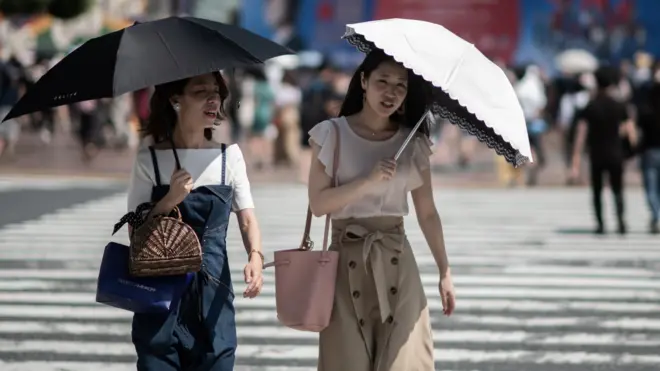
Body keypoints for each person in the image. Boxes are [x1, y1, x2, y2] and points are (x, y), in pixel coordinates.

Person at [307, 49, 456, 371]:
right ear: (363, 81)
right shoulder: (331, 134)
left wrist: (444, 270)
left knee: (405, 362)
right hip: (344, 266)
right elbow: (319, 205)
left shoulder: (413, 143)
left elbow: (427, 212)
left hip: (398, 263)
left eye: (400, 85)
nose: (391, 92)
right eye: (382, 81)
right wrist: (366, 181)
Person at [126, 72, 264, 370]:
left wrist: (255, 256)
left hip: (214, 290)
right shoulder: (150, 158)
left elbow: (247, 218)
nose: (213, 98)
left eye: (216, 91)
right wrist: (169, 200)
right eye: (201, 91)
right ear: (176, 99)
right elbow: (133, 230)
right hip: (160, 289)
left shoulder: (230, 157)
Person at [571, 66, 638, 235]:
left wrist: (576, 159)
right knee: (618, 189)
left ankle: (600, 224)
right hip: (616, 153)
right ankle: (621, 221)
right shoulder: (620, 105)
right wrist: (633, 150)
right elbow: (630, 131)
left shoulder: (590, 106)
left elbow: (581, 134)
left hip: (597, 154)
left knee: (597, 190)